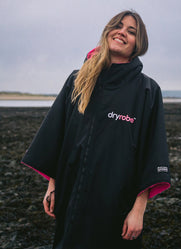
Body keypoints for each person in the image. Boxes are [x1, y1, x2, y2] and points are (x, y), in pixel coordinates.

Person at [21, 10, 171, 249]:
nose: (122, 32)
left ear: (138, 44)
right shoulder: (78, 80)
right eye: (118, 26)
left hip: (117, 209)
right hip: (72, 200)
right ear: (108, 31)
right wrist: (52, 186)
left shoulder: (148, 91)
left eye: (131, 31)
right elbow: (56, 138)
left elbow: (151, 153)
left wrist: (138, 210)